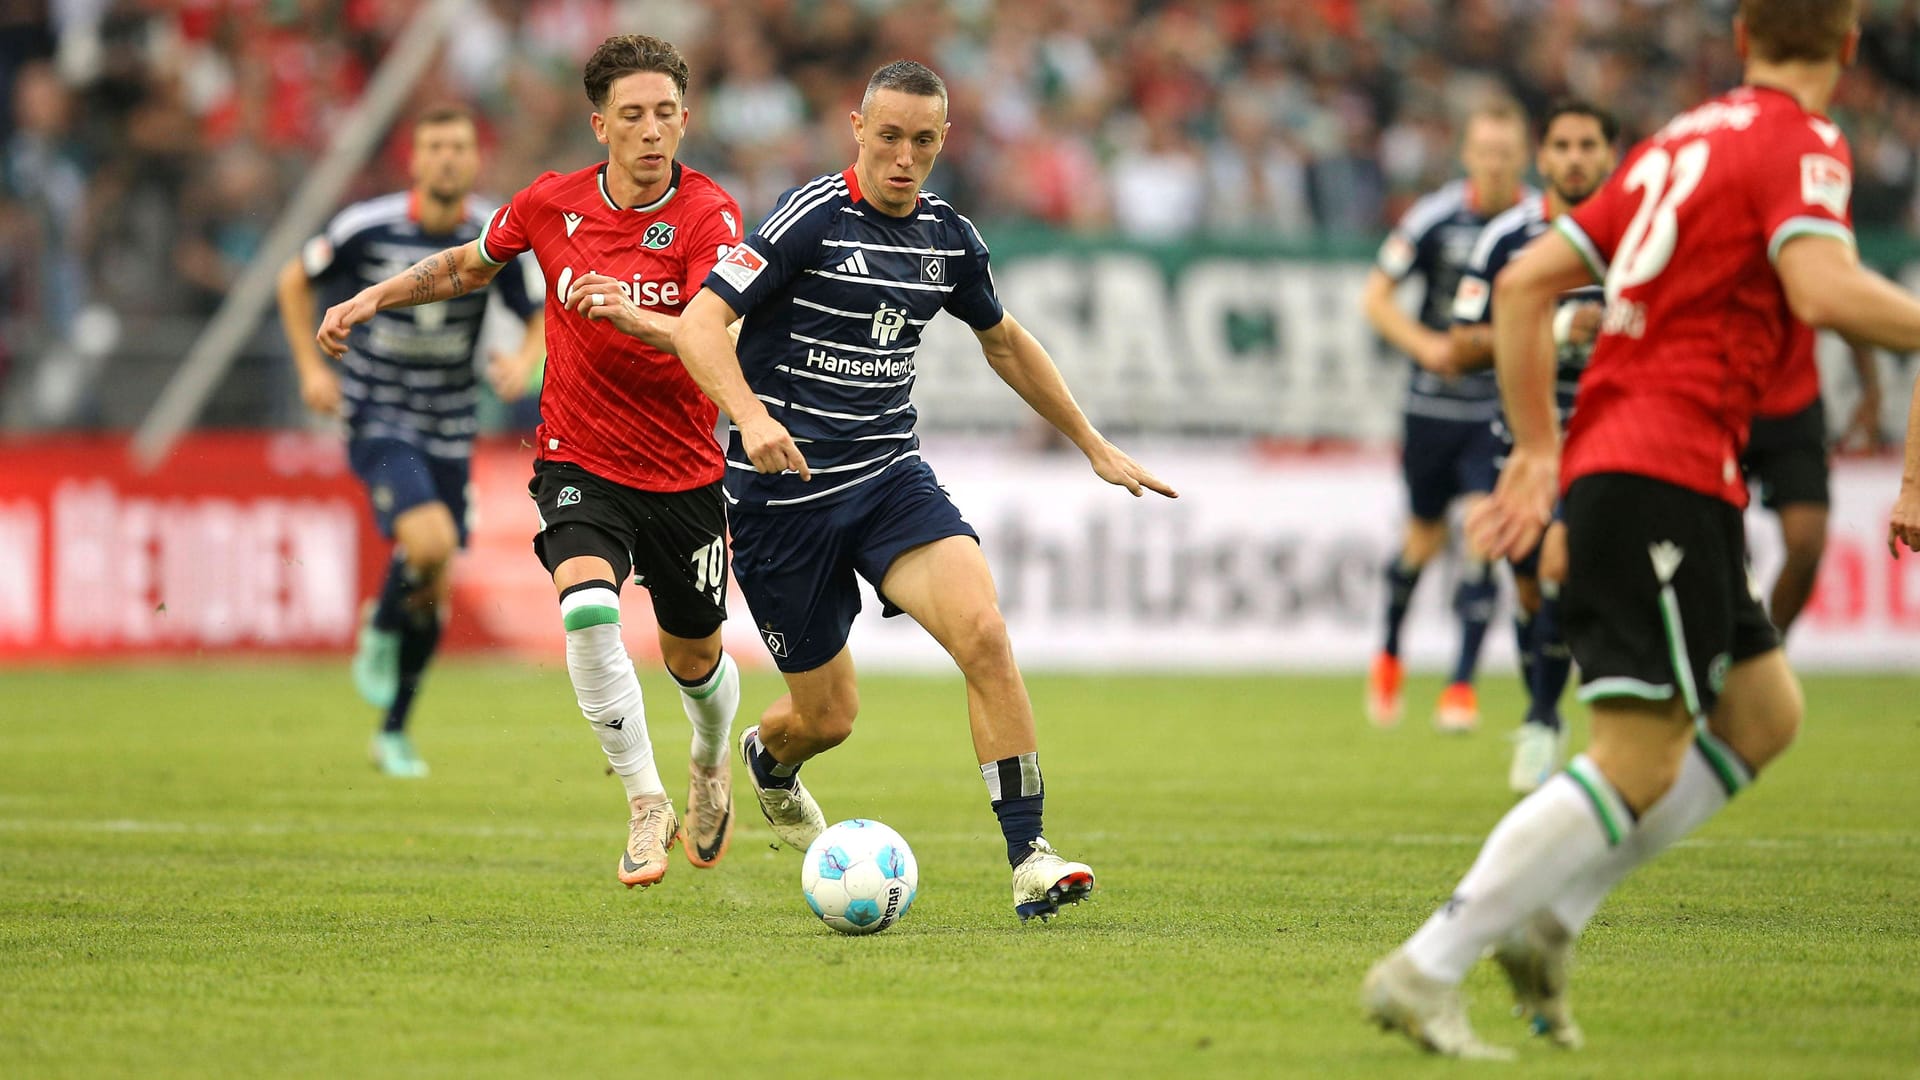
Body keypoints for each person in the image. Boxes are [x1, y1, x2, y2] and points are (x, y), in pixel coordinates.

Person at [1367, 0, 1920, 1057]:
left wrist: (1539, 447)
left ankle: (1551, 919)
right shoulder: (1802, 142)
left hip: (1654, 467)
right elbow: (1819, 284)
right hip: (1662, 469)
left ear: (1743, 36)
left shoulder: (1684, 139)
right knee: (1639, 755)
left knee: (1762, 714)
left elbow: (1529, 282)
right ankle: (1427, 966)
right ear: (1850, 48)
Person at [670, 60, 1175, 922]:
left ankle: (1030, 857)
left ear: (944, 141)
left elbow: (1005, 341)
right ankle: (768, 754)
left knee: (983, 633)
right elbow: (700, 323)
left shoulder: (949, 237)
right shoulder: (807, 220)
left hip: (889, 478)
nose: (905, 157)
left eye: (924, 141)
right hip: (781, 499)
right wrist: (750, 418)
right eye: (891, 136)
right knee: (828, 717)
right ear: (857, 127)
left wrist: (1090, 443)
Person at [316, 35, 748, 889]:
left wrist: (634, 318)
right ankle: (644, 800)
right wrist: (375, 294)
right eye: (633, 115)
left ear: (686, 118)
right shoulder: (549, 205)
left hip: (686, 471)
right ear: (600, 125)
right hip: (579, 459)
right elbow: (468, 266)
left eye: (666, 113)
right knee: (586, 612)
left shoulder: (710, 214)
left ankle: (708, 759)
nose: (653, 130)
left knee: (694, 659)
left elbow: (716, 331)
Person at [276, 105, 544, 778]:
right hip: (378, 411)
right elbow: (293, 278)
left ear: (474, 160)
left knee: (436, 582)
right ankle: (381, 626)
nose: (449, 158)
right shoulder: (366, 227)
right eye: (436, 146)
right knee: (427, 545)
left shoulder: (493, 236)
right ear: (415, 160)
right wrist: (312, 370)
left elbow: (540, 312)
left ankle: (394, 728)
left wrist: (524, 361)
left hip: (452, 423)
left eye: (460, 146)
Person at [1447, 100, 1619, 793]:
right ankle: (1545, 706)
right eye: (1563, 146)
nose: (1575, 158)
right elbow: (1461, 344)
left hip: (1607, 432)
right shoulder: (1505, 240)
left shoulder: (1640, 236)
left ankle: (1547, 715)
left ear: (1609, 154)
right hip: (1520, 435)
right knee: (1526, 584)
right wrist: (1551, 331)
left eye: (1588, 144)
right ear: (1542, 159)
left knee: (1558, 563)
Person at [1361, 101, 1532, 733]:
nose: (1493, 164)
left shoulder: (1536, 223)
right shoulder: (1435, 218)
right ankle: (1389, 651)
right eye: (1484, 152)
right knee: (1423, 541)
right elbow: (1375, 297)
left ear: (1522, 156)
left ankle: (1460, 686)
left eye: (1505, 153)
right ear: (1468, 155)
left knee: (1485, 537)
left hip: (1497, 406)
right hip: (1431, 406)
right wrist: (1427, 347)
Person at [1742, 326, 1880, 635]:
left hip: (1795, 402)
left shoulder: (1800, 273)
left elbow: (1845, 299)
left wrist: (1871, 389)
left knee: (1807, 543)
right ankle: (1727, 654)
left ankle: (1769, 647)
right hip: (1721, 398)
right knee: (1722, 553)